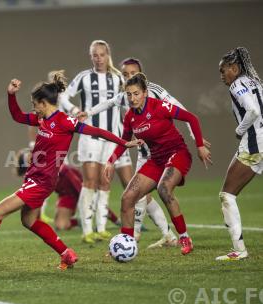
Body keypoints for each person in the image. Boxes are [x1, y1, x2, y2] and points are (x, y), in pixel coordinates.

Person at [0, 73, 142, 270]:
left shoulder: (65, 121)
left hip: (42, 182)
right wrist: (10, 95)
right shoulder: (41, 120)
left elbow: (97, 131)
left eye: (34, 104)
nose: (33, 108)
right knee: (29, 221)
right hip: (35, 179)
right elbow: (17, 116)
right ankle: (67, 254)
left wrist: (123, 142)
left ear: (43, 102)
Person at [78, 58, 210, 248]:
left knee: (164, 189)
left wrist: (199, 145)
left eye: (136, 94)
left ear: (145, 92)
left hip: (176, 153)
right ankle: (126, 244)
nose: (132, 98)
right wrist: (110, 161)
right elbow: (124, 141)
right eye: (129, 94)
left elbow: (191, 117)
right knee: (127, 198)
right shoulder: (130, 116)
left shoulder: (159, 105)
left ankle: (184, 237)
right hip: (155, 159)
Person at [59, 40, 133, 244]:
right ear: (91, 56)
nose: (98, 58)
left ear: (108, 55)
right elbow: (64, 96)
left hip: (111, 137)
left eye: (102, 54)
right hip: (90, 136)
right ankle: (87, 230)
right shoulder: (84, 77)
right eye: (95, 55)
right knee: (89, 180)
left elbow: (127, 103)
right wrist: (74, 111)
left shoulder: (118, 77)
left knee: (105, 180)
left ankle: (101, 228)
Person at [216, 47, 263, 261]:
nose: (222, 75)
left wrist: (239, 130)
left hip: (255, 144)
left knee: (227, 195)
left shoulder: (237, 84)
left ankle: (239, 250)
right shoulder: (256, 81)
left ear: (234, 68)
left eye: (223, 70)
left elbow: (252, 110)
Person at [16, 148, 120, 231]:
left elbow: (81, 190)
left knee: (90, 199)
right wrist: (36, 219)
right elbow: (37, 197)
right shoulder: (35, 175)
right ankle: (78, 221)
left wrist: (115, 220)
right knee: (61, 226)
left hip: (76, 189)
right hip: (65, 195)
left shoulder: (61, 170)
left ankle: (112, 220)